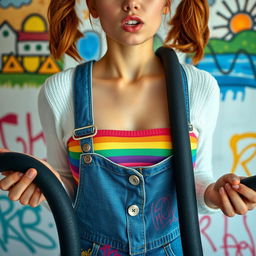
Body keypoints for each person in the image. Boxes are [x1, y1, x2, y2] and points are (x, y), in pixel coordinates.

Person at [1, 0, 256, 255]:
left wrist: (216, 194)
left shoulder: (199, 87)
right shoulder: (60, 92)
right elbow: (68, 188)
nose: (131, 3)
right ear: (92, 6)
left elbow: (197, 180)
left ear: (166, 4)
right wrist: (43, 184)